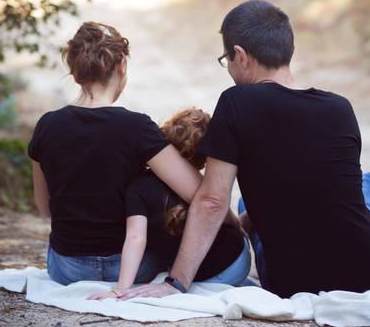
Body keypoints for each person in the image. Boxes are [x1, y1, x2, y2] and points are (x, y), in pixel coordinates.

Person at [120, 0, 370, 300]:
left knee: (243, 204)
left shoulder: (236, 102)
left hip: (288, 283)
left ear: (240, 56)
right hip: (366, 276)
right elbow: (326, 187)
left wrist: (176, 283)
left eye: (227, 60)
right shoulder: (339, 108)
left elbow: (211, 200)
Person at [28, 22, 240, 286]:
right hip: (133, 267)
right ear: (121, 67)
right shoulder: (136, 127)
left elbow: (45, 207)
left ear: (74, 72)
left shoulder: (47, 126)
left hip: (67, 269)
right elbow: (199, 193)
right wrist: (233, 222)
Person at [89, 108, 251, 300]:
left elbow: (135, 239)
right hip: (237, 264)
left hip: (199, 279)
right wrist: (238, 226)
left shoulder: (138, 188)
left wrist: (120, 289)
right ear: (205, 157)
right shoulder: (205, 186)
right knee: (244, 209)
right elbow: (224, 217)